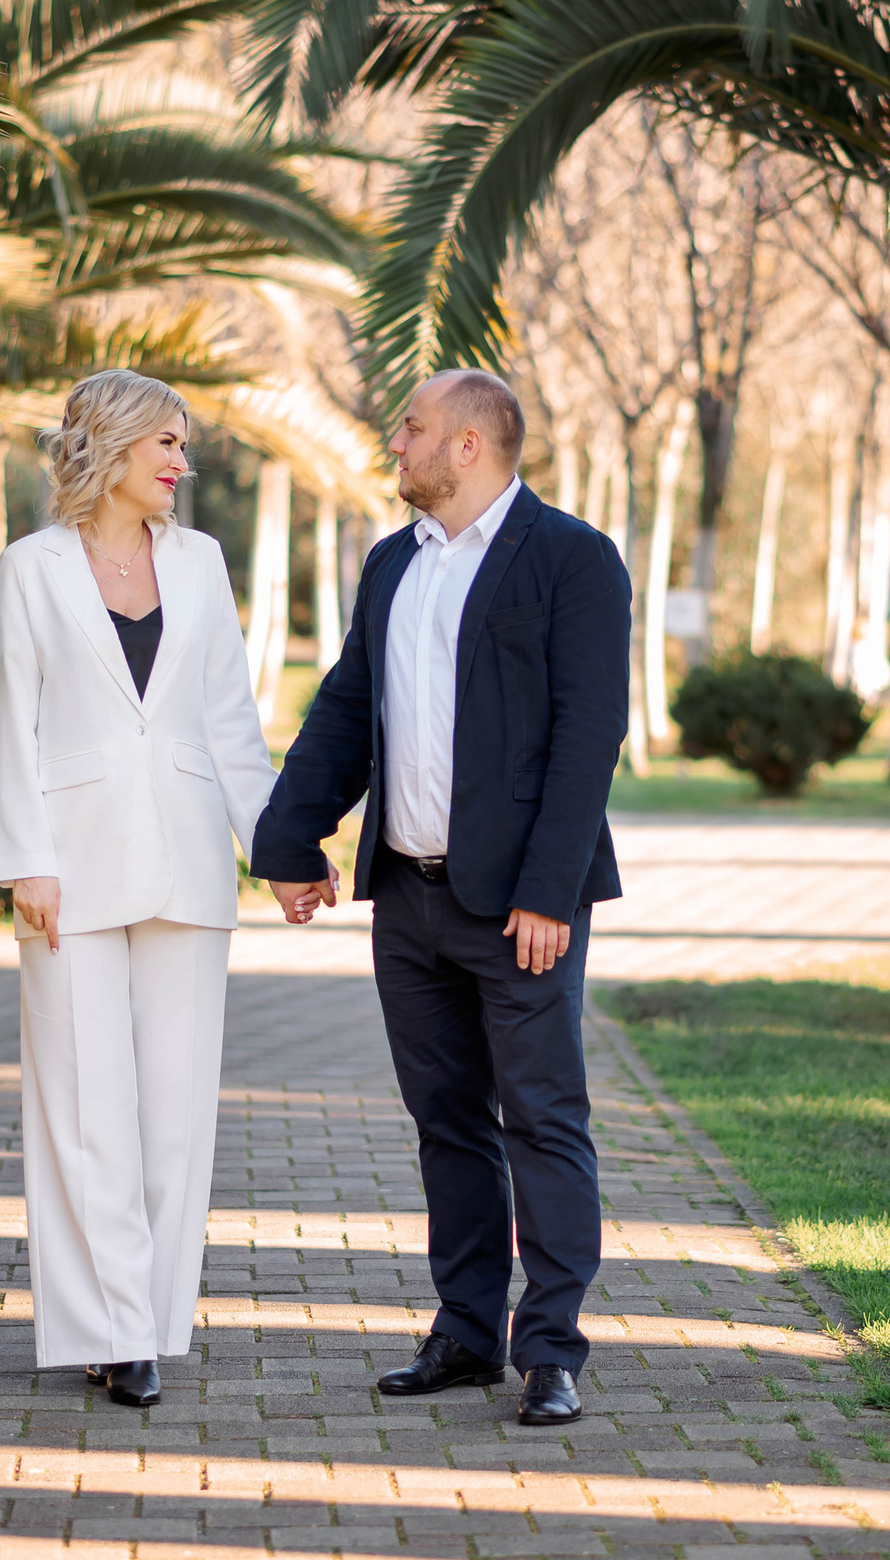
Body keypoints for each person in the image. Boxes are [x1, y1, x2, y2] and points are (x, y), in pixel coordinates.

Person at [251, 369, 630, 1427]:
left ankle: (549, 1349)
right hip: (407, 902)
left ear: (468, 445)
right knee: (445, 1124)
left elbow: (588, 735)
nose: (395, 440)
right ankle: (466, 1331)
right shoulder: (391, 566)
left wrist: (551, 891)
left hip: (519, 909)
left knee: (542, 1121)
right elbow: (347, 709)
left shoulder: (572, 560)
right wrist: (290, 837)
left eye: (410, 426)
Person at [0, 369, 306, 1408]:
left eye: (184, 445)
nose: (182, 463)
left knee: (172, 1112)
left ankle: (152, 1322)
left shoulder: (203, 562)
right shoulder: (29, 568)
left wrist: (280, 850)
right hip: (67, 868)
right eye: (166, 444)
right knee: (86, 1108)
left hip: (185, 861)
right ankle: (108, 1327)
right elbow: (17, 724)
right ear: (112, 446)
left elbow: (230, 726)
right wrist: (24, 857)